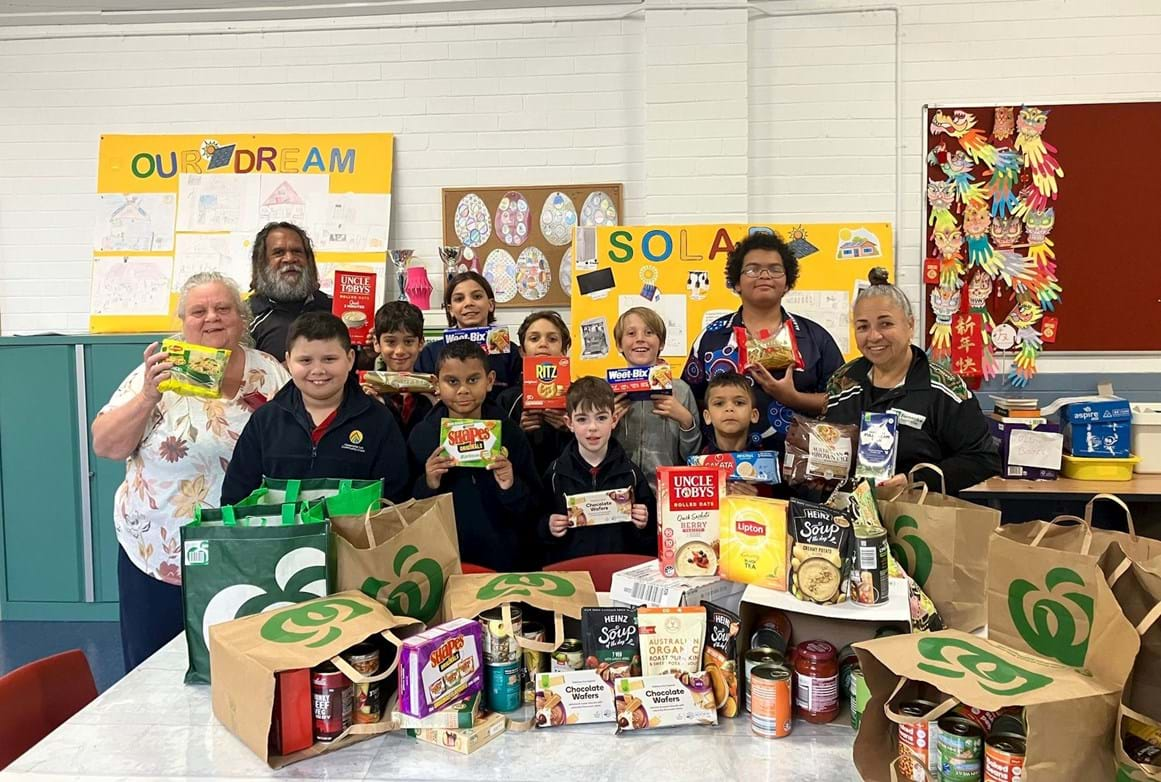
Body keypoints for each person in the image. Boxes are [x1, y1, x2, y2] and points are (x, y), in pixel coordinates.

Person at [91, 272, 290, 671]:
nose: (212, 318)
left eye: (223, 308)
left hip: (243, 553)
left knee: (237, 669)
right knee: (151, 671)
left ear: (241, 317)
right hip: (158, 549)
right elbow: (106, 445)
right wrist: (149, 394)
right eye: (199, 311)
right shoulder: (159, 370)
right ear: (183, 322)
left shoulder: (268, 372)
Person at [823, 268, 1000, 496]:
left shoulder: (944, 389)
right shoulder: (843, 381)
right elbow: (830, 444)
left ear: (910, 325)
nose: (874, 336)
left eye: (886, 324)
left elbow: (983, 459)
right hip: (850, 517)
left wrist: (914, 480)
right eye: (863, 326)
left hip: (920, 518)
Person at [220, 311, 411, 505]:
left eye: (329, 359)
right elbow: (235, 499)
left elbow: (395, 502)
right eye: (305, 360)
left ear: (350, 359)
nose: (318, 370)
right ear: (288, 361)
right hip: (279, 536)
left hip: (357, 535)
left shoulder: (379, 421)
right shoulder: (265, 421)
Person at [681, 230, 845, 452]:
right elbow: (692, 401)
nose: (765, 275)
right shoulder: (711, 337)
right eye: (752, 269)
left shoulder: (815, 338)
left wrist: (794, 398)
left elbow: (843, 402)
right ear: (736, 283)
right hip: (727, 470)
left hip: (798, 475)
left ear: (787, 283)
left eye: (775, 269)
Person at [408, 339, 541, 571]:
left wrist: (510, 485)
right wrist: (428, 483)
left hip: (503, 560)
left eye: (473, 380)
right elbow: (405, 508)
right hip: (442, 560)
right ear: (436, 384)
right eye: (452, 381)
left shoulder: (510, 432)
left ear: (489, 381)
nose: (463, 390)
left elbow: (534, 506)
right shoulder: (422, 435)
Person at [541, 377, 655, 564]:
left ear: (614, 419)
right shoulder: (555, 474)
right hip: (572, 573)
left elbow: (649, 534)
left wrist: (644, 521)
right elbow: (537, 523)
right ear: (569, 423)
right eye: (582, 419)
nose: (592, 427)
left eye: (601, 418)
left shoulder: (631, 473)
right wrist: (549, 526)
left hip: (618, 571)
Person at [612, 306, 701, 494]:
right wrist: (605, 421)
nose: (640, 338)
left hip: (667, 491)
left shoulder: (681, 390)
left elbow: (692, 457)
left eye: (649, 332)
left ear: (661, 343)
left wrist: (685, 420)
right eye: (631, 333)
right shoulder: (607, 391)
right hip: (620, 492)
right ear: (619, 345)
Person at [413, 271, 521, 401]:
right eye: (459, 299)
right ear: (451, 309)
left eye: (477, 296)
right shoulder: (431, 353)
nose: (469, 303)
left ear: (491, 304)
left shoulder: (510, 352)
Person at [496, 310, 575, 475]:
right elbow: (495, 451)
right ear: (522, 351)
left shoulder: (578, 395)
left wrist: (571, 428)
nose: (543, 344)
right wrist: (518, 432)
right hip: (524, 484)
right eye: (534, 338)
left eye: (552, 339)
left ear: (564, 350)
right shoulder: (507, 399)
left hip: (566, 484)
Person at [247, 221, 333, 360]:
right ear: (261, 263)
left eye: (297, 251)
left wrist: (368, 355)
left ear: (309, 260)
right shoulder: (245, 317)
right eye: (278, 252)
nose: (290, 259)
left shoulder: (335, 308)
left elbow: (357, 369)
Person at [362, 300, 432, 438]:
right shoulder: (367, 392)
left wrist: (437, 405)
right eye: (391, 342)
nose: (400, 351)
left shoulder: (433, 392)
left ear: (421, 343)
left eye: (408, 342)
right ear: (377, 343)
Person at [699, 372, 775, 498]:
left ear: (754, 415)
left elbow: (778, 511)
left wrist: (759, 501)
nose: (729, 408)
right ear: (707, 417)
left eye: (739, 403)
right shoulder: (698, 465)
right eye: (719, 403)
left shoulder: (767, 464)